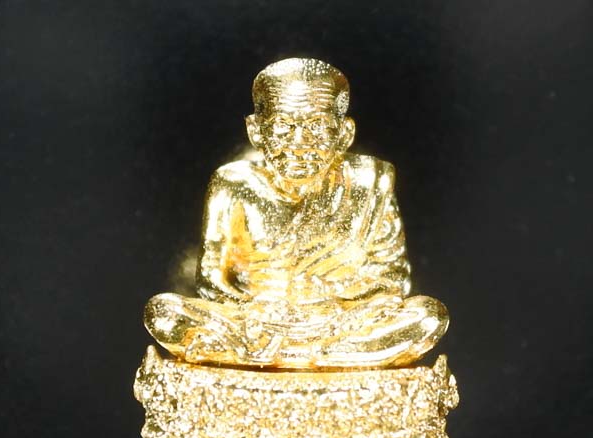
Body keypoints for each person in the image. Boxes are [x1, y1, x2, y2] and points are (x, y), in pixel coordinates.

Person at [144, 58, 448, 368]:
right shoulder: (233, 184)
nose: (300, 143)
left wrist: (331, 294)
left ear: (344, 134)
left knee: (427, 316)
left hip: (339, 322)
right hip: (257, 322)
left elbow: (391, 279)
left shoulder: (369, 182)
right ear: (255, 131)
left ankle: (289, 354)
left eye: (317, 126)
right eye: (283, 126)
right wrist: (257, 306)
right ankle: (328, 356)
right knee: (164, 314)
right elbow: (211, 279)